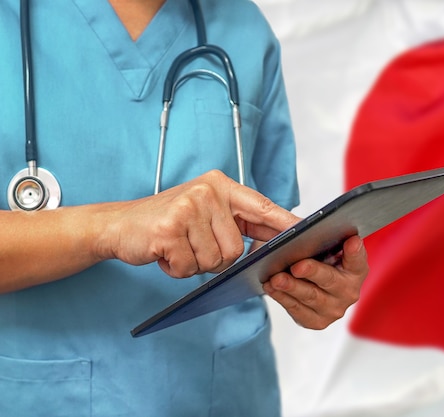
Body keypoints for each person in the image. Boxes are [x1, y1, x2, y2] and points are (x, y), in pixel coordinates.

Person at [0, 1, 369, 416]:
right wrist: (110, 227)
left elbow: (264, 239)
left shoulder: (243, 28)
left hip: (220, 394)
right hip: (42, 397)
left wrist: (313, 281)